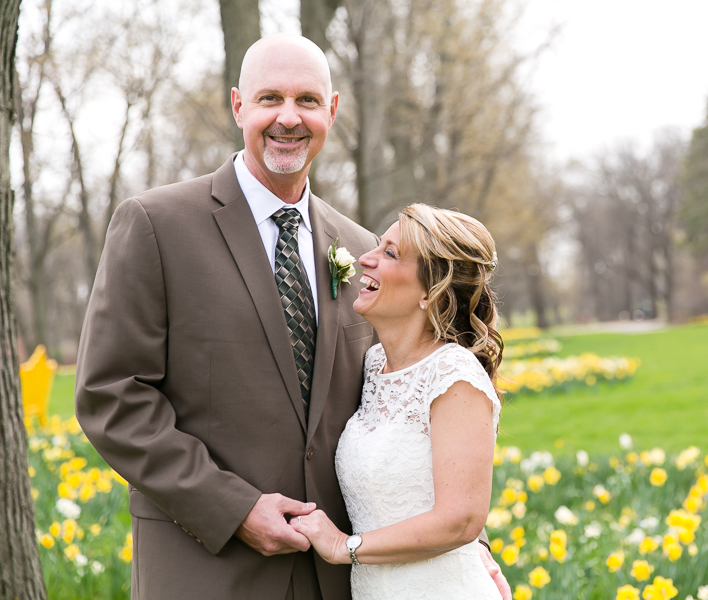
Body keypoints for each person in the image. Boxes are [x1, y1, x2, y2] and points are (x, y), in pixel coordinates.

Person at [75, 33, 508, 600]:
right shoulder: (156, 226)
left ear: (330, 111)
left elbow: (408, 407)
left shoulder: (360, 251)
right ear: (238, 107)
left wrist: (458, 540)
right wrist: (235, 508)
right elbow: (112, 396)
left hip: (336, 578)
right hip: (207, 569)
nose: (288, 118)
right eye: (268, 99)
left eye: (307, 100)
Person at [289, 204, 505, 599]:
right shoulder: (373, 365)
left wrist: (343, 547)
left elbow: (462, 519)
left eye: (389, 253)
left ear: (430, 290)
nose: (366, 258)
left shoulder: (454, 375)